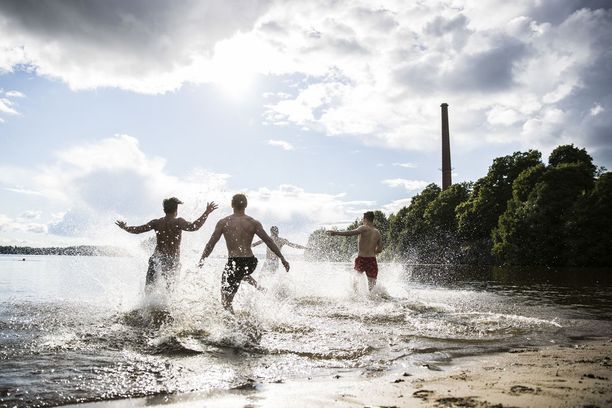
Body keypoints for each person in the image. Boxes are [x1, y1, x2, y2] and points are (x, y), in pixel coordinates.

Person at [198, 194, 290, 313]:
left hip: (235, 262)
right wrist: (282, 258)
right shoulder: (253, 222)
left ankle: (234, 325)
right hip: (250, 261)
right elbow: (268, 241)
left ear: (232, 205)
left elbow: (211, 244)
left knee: (226, 301)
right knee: (241, 274)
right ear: (246, 205)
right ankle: (258, 289)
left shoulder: (224, 222)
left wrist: (202, 259)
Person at [116, 197, 218, 292]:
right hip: (172, 260)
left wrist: (125, 227)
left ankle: (148, 308)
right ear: (176, 210)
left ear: (164, 210)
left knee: (149, 289)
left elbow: (139, 230)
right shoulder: (178, 221)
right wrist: (206, 212)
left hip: (156, 259)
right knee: (169, 291)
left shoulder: (156, 222)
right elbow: (194, 227)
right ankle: (166, 309)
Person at [327, 211, 383, 291]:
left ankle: (355, 299)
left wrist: (336, 233)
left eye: (363, 219)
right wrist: (373, 252)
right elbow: (380, 249)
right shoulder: (377, 232)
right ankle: (372, 300)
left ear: (365, 219)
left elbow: (351, 233)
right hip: (372, 260)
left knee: (354, 283)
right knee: (372, 288)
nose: (362, 220)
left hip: (362, 259)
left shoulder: (363, 228)